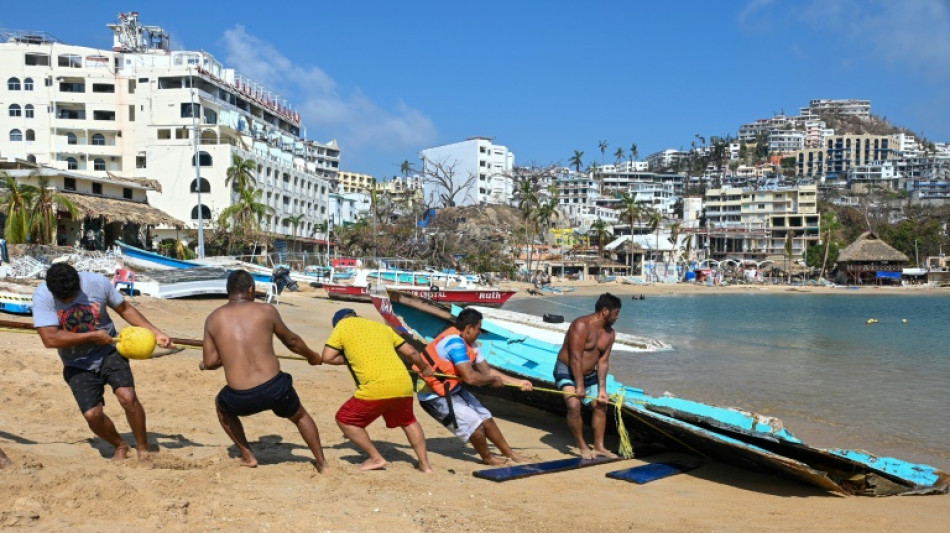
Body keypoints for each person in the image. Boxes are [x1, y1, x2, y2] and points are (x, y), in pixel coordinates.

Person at [33, 263, 172, 463]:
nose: (68, 301)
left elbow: (125, 309)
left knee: (128, 397)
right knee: (92, 415)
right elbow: (50, 339)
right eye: (62, 299)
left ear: (79, 284)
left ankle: (143, 448)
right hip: (76, 362)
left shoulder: (97, 283)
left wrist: (156, 332)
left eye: (72, 296)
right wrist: (92, 336)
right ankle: (120, 445)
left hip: (109, 351)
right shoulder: (42, 296)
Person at [201, 270, 327, 471]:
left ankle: (248, 456)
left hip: (241, 397)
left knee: (221, 406)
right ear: (251, 290)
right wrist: (312, 356)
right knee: (300, 415)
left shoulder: (213, 319)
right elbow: (292, 341)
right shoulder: (266, 310)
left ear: (228, 291)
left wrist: (220, 359)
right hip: (275, 388)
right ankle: (322, 463)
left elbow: (209, 362)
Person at [415, 308, 533, 465]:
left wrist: (518, 382)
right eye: (479, 329)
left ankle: (509, 452)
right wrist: (492, 381)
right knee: (475, 424)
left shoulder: (472, 345)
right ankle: (488, 458)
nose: (480, 333)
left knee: (486, 418)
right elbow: (470, 378)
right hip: (433, 396)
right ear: (469, 328)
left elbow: (487, 371)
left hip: (453, 389)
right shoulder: (454, 344)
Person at [321, 309, 433, 473]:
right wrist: (425, 368)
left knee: (345, 420)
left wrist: (350, 358)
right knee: (408, 421)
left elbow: (327, 357)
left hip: (376, 387)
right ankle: (425, 465)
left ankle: (376, 458)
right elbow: (412, 352)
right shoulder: (382, 327)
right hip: (403, 383)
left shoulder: (342, 326)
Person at [554, 292, 622, 459]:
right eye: (616, 313)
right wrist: (579, 386)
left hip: (590, 373)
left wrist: (602, 390)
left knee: (601, 405)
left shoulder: (610, 334)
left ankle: (599, 446)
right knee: (574, 405)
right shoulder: (581, 325)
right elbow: (575, 358)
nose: (617, 317)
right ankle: (582, 445)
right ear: (605, 311)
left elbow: (603, 362)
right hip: (567, 369)